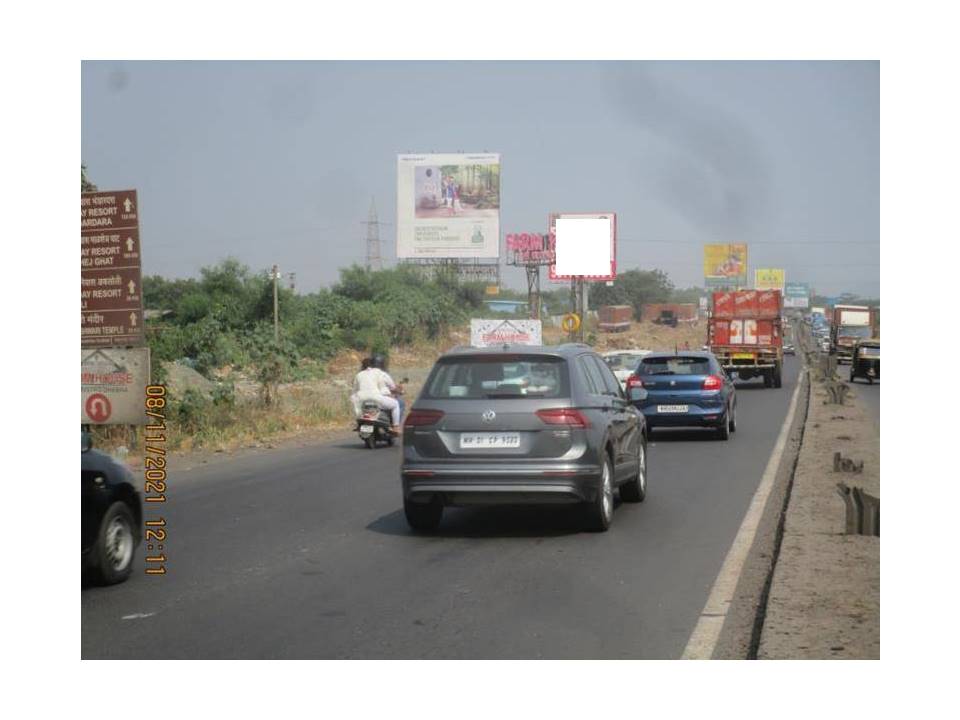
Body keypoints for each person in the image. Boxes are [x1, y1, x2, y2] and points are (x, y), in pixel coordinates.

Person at [353, 354, 403, 433]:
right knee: (396, 404)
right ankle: (396, 427)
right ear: (383, 364)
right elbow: (392, 387)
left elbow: (355, 390)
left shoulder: (359, 374)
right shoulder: (381, 373)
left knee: (357, 405)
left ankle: (358, 424)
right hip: (376, 398)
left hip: (361, 399)